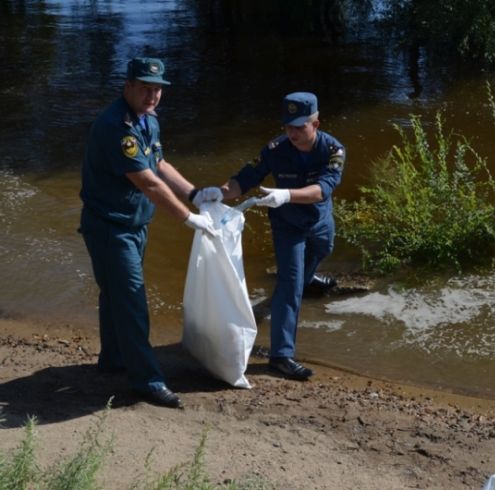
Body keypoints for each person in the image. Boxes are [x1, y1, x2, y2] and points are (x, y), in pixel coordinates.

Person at [79, 57, 222, 408]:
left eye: (157, 89)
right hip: (111, 228)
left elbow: (158, 164)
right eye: (145, 87)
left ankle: (113, 360)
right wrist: (188, 218)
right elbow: (148, 183)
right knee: (132, 301)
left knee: (115, 295)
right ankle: (147, 381)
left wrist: (193, 192)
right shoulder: (118, 127)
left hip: (132, 224)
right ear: (127, 85)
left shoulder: (147, 120)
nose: (152, 95)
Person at [207, 92, 345, 381]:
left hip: (319, 219)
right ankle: (281, 356)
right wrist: (217, 194)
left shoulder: (333, 150)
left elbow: (322, 190)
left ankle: (307, 279)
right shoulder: (275, 149)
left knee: (324, 249)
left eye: (299, 127)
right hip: (287, 224)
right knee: (289, 283)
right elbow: (244, 179)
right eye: (288, 126)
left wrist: (286, 194)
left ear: (316, 123)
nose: (292, 133)